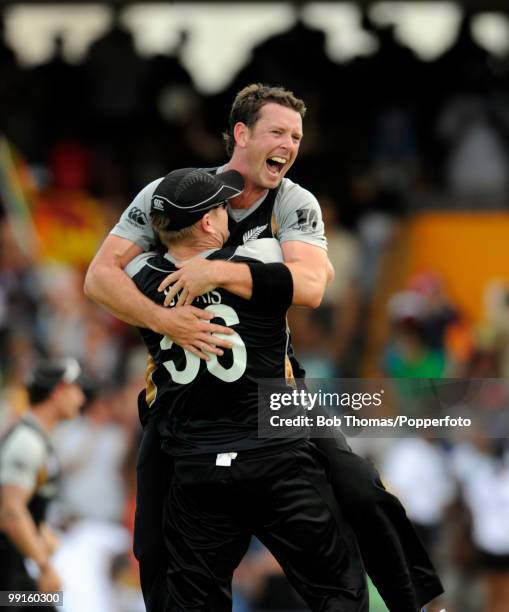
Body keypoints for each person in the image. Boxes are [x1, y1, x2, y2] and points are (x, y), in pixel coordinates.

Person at [84, 83, 443, 611]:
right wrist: (169, 322)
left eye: (297, 135)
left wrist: (217, 271)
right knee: (152, 540)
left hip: (272, 395)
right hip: (186, 406)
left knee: (362, 487)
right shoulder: (176, 195)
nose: (290, 144)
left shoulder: (293, 200)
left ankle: (418, 603)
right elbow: (97, 278)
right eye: (278, 131)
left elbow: (314, 287)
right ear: (241, 134)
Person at [125, 165, 368, 611]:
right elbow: (318, 276)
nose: (229, 214)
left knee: (194, 599)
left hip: (196, 463)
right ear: (206, 222)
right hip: (268, 453)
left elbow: (107, 273)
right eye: (221, 208)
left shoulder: (139, 274)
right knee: (339, 587)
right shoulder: (257, 255)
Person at [0, 358, 85, 610]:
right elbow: (10, 511)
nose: (80, 399)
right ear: (59, 391)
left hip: (13, 574)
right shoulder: (28, 442)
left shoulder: (36, 439)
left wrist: (41, 533)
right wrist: (45, 567)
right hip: (7, 581)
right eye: (76, 389)